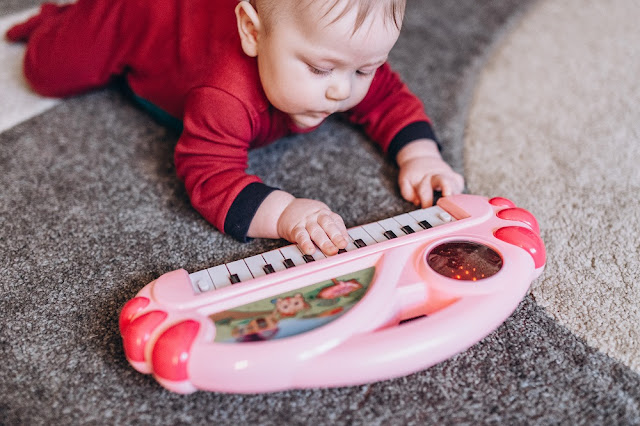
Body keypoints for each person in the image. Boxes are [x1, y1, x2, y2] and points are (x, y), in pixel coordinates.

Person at [6, 0, 464, 256]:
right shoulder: (225, 93)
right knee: (45, 69)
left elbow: (389, 99)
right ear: (251, 30)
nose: (340, 92)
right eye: (321, 69)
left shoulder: (341, 54)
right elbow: (207, 173)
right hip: (141, 14)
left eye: (364, 69)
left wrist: (421, 153)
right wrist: (286, 215)